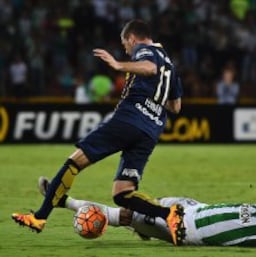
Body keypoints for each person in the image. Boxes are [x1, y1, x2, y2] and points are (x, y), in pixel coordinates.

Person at [12, 19, 184, 245]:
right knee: (122, 193)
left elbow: (149, 68)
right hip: (150, 132)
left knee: (75, 162)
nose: (126, 49)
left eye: (125, 45)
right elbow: (175, 107)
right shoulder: (170, 66)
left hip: (128, 120)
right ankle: (168, 214)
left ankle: (39, 217)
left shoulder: (144, 50)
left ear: (132, 38)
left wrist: (118, 65)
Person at [37, 177, 256, 248]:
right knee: (132, 212)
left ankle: (64, 201)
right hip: (191, 206)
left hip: (184, 229)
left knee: (128, 213)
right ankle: (63, 201)